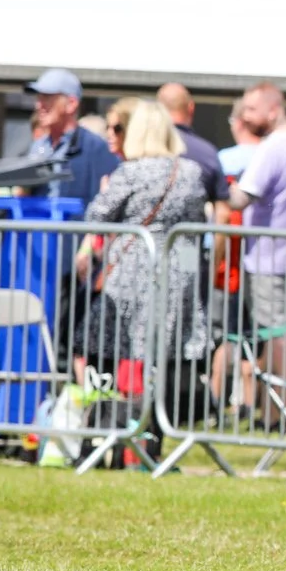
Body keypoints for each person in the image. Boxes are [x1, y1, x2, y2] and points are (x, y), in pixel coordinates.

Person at [82, 101, 210, 385]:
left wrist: (104, 192)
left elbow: (97, 217)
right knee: (169, 345)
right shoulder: (190, 171)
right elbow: (196, 224)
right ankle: (158, 414)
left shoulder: (131, 172)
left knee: (119, 342)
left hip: (132, 267)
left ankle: (118, 411)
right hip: (178, 267)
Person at [225, 83, 286, 406]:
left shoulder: (272, 147)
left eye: (251, 109)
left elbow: (240, 199)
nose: (245, 116)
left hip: (268, 259)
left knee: (276, 336)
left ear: (273, 109)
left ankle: (283, 409)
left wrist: (215, 183)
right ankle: (279, 407)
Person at [22, 69, 117, 205]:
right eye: (38, 98)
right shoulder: (38, 146)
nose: (38, 105)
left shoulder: (95, 148)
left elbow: (103, 203)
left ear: (71, 104)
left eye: (47, 98)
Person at [156, 82, 223, 205]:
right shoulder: (207, 153)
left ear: (158, 109)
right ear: (191, 107)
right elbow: (222, 210)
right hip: (192, 222)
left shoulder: (143, 150)